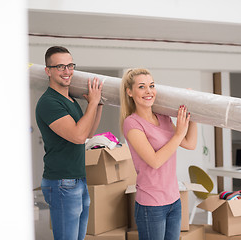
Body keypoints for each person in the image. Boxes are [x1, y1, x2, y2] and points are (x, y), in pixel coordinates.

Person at [120, 68, 198, 240]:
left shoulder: (163, 117)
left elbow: (190, 144)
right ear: (130, 92)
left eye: (151, 85)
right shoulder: (132, 123)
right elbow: (155, 161)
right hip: (151, 203)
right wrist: (178, 134)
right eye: (141, 87)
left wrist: (194, 110)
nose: (148, 91)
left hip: (174, 199)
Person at [35, 46, 103, 240]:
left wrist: (97, 105)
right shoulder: (49, 102)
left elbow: (87, 133)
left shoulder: (70, 100)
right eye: (60, 66)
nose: (67, 71)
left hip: (77, 179)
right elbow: (78, 136)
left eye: (70, 65)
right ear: (48, 70)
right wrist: (91, 103)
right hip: (61, 183)